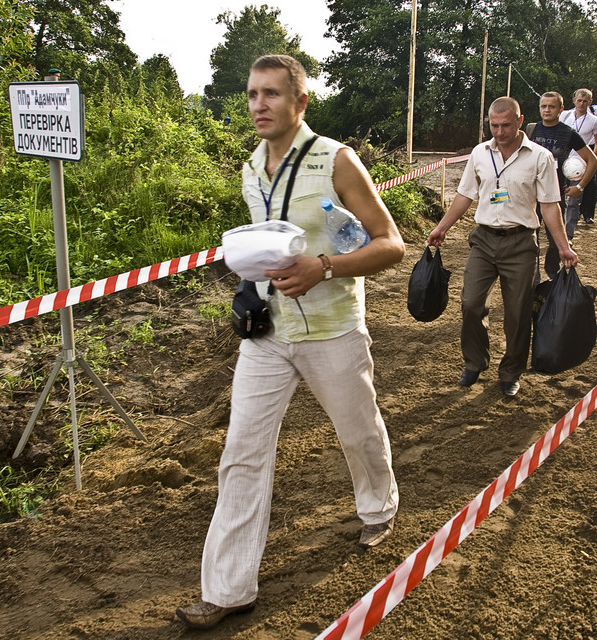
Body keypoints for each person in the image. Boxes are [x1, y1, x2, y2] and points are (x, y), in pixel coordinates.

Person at [176, 55, 403, 630]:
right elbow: (267, 245)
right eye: (252, 94)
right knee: (241, 455)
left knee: (357, 431)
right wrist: (248, 286)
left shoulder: (337, 160)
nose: (258, 105)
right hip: (268, 336)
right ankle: (228, 589)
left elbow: (390, 243)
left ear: (300, 102)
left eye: (272, 94)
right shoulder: (251, 168)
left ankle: (379, 505)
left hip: (332, 330)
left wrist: (324, 268)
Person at [427, 97, 578, 397]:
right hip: (483, 239)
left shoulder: (540, 157)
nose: (499, 131)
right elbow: (464, 196)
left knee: (518, 312)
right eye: (493, 125)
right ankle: (475, 361)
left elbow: (550, 206)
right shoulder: (479, 154)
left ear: (520, 121)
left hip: (521, 242)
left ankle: (511, 371)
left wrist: (563, 246)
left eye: (505, 125)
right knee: (470, 303)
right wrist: (441, 228)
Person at [528, 91, 597, 277]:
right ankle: (531, 279)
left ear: (561, 109)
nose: (547, 110)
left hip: (556, 195)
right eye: (543, 106)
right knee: (529, 240)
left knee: (555, 241)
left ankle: (552, 276)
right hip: (531, 195)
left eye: (551, 106)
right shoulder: (531, 130)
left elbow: (593, 162)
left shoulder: (568, 133)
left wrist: (580, 187)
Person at [561, 88, 597, 224]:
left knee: (574, 200)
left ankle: (568, 233)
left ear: (590, 102)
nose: (581, 104)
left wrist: (591, 161)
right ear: (574, 100)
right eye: (579, 100)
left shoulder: (594, 121)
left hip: (580, 163)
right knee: (560, 198)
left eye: (585, 101)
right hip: (563, 161)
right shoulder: (564, 116)